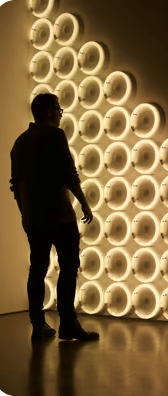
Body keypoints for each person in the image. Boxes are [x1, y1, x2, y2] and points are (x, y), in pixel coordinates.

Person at [10, 93, 99, 341]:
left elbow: (15, 185)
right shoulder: (54, 135)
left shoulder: (19, 143)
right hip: (60, 216)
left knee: (37, 269)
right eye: (59, 111)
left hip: (33, 218)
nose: (60, 116)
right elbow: (68, 172)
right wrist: (84, 203)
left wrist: (24, 214)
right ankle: (68, 323)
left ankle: (38, 324)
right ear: (49, 111)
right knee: (69, 267)